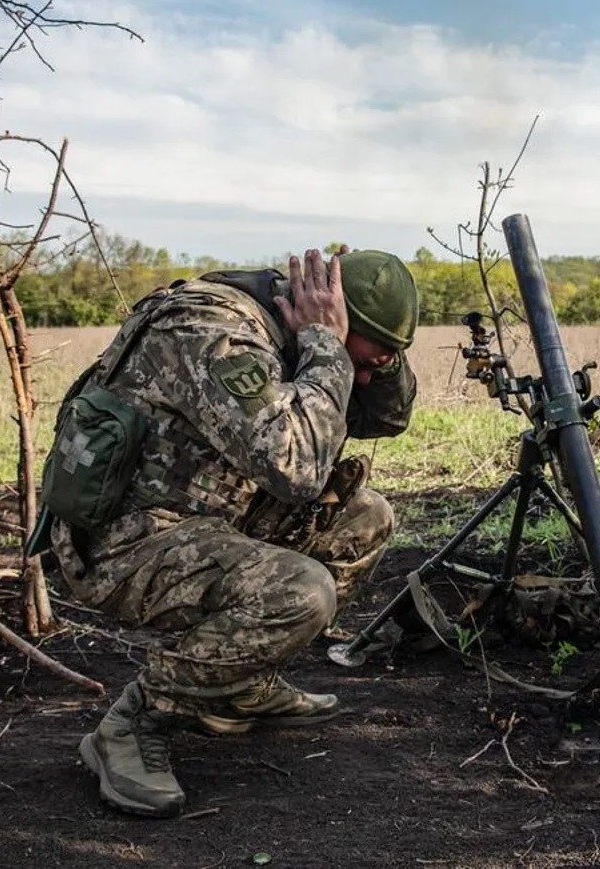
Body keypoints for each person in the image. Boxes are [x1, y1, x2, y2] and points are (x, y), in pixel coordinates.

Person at [44, 245, 419, 818]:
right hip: (125, 539)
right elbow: (297, 468)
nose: (361, 376)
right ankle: (133, 723)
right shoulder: (215, 331)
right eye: (359, 361)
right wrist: (325, 347)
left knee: (363, 518)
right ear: (320, 318)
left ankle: (238, 682)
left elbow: (385, 419)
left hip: (204, 515)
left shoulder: (298, 332)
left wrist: (371, 362)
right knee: (299, 592)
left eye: (375, 366)